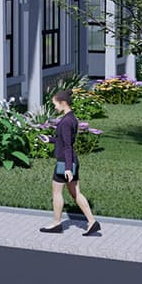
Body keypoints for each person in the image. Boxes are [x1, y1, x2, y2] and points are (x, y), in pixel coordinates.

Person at [39, 88, 101, 237]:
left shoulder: (66, 122)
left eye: (55, 104)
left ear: (63, 102)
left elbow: (67, 146)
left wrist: (67, 168)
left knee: (56, 192)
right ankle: (92, 222)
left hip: (65, 163)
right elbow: (65, 141)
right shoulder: (71, 118)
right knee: (75, 193)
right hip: (72, 161)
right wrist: (50, 139)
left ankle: (56, 223)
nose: (54, 107)